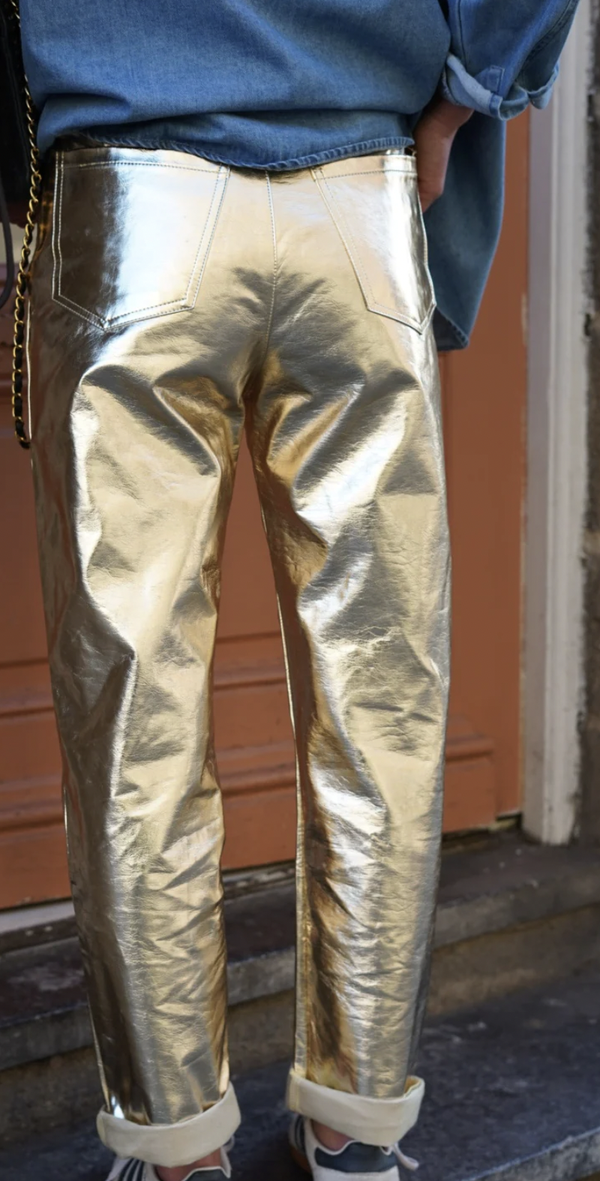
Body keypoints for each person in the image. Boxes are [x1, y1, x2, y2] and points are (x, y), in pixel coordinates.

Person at [13, 3, 579, 1180]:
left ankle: (176, 1147)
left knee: (133, 717)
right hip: (358, 196)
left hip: (130, 198)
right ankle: (355, 1131)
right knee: (381, 699)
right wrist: (469, 93)